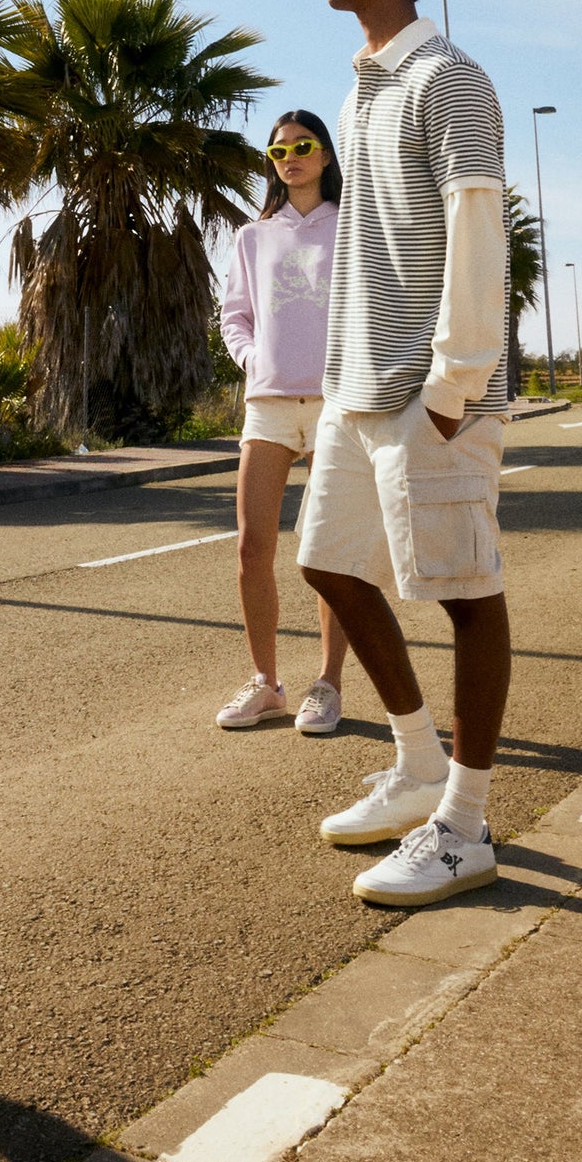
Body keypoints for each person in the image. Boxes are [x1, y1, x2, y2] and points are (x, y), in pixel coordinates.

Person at [300, 0, 510, 908]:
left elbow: (477, 230)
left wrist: (451, 386)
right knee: (328, 566)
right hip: (356, 389)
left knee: (464, 592)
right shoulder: (356, 93)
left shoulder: (447, 79)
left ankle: (464, 825)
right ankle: (417, 762)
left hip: (431, 392)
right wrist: (338, 379)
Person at [216, 110, 349, 734]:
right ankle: (267, 684)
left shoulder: (350, 227)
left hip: (333, 403)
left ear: (324, 154)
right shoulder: (252, 236)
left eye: (302, 146)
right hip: (268, 405)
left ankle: (328, 684)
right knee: (252, 547)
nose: (290, 157)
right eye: (277, 150)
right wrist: (254, 357)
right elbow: (234, 316)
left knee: (327, 550)